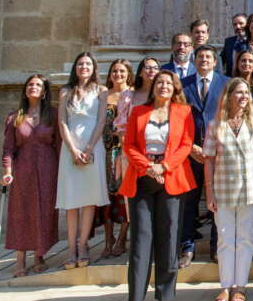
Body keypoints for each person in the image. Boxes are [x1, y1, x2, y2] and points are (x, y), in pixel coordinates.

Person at [120, 70, 196, 301]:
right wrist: (148, 167)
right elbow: (130, 144)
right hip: (142, 179)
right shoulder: (138, 112)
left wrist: (163, 167)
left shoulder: (184, 112)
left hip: (171, 178)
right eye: (159, 82)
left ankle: (165, 296)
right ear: (153, 88)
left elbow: (186, 145)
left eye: (168, 83)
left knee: (169, 240)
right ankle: (136, 296)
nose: (164, 86)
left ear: (175, 89)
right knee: (141, 242)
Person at [204, 78, 253, 301]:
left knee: (244, 239)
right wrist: (209, 192)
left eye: (246, 93)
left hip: (249, 190)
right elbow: (209, 160)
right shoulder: (215, 125)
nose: (243, 97)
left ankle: (239, 287)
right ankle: (225, 286)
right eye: (238, 92)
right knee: (224, 239)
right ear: (229, 96)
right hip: (222, 190)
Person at [1, 74, 59, 276]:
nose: (33, 87)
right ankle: (20, 259)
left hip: (48, 169)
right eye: (30, 84)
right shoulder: (14, 117)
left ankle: (39, 255)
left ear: (44, 92)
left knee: (44, 211)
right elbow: (8, 148)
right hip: (23, 169)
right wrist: (8, 171)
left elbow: (58, 145)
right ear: (25, 90)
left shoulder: (54, 114)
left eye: (38, 85)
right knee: (21, 212)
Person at [56, 52, 109, 269]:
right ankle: (70, 248)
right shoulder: (65, 92)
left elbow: (102, 120)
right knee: (71, 200)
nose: (84, 67)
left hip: (92, 145)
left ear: (94, 67)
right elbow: (62, 122)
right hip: (70, 147)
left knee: (88, 199)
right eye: (80, 64)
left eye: (88, 64)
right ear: (75, 68)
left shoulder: (101, 91)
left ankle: (84, 243)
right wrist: (73, 149)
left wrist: (88, 148)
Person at [179, 44, 230, 268]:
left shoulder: (226, 83)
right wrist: (190, 147)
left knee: (217, 201)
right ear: (194, 59)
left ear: (215, 61)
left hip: (219, 152)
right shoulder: (183, 85)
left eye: (208, 57)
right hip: (192, 153)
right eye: (200, 57)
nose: (204, 60)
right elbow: (177, 119)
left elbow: (231, 116)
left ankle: (216, 246)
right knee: (189, 202)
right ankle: (187, 247)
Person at [97, 59, 132, 259]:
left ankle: (122, 237)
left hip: (124, 151)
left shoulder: (132, 94)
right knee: (107, 197)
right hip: (106, 150)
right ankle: (108, 239)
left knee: (124, 195)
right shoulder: (103, 95)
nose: (118, 74)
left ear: (128, 73)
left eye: (122, 71)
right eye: (114, 71)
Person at [116, 57, 161, 135]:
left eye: (155, 68)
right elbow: (122, 128)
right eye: (148, 67)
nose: (152, 71)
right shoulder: (128, 96)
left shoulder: (165, 95)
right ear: (140, 73)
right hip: (134, 143)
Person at [221, 12, 250, 77]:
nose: (238, 26)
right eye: (235, 24)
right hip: (231, 80)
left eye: (241, 23)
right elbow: (220, 60)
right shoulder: (229, 42)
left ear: (248, 24)